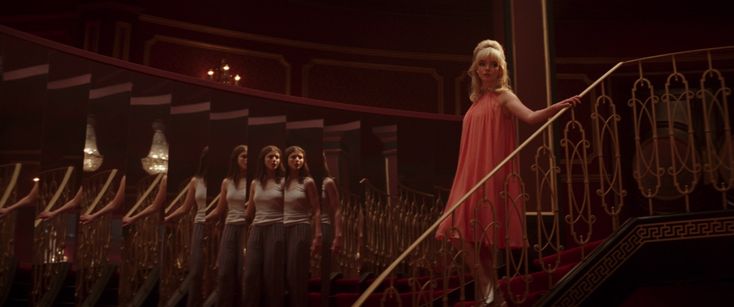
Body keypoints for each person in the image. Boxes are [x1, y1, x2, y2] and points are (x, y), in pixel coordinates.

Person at [435, 39, 580, 306]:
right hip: (469, 174)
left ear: (500, 69)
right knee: (464, 235)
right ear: (476, 69)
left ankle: (488, 293)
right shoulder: (476, 101)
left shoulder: (505, 97)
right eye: (483, 64)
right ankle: (493, 295)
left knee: (472, 235)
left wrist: (556, 108)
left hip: (491, 172)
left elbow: (530, 117)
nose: (487, 69)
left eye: (493, 64)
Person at [163, 146, 209, 307]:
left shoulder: (226, 180)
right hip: (199, 225)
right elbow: (185, 207)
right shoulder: (196, 181)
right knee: (196, 270)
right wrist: (167, 217)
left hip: (217, 226)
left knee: (215, 271)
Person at [204, 144, 248, 307]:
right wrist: (204, 218)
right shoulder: (227, 182)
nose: (246, 160)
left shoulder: (255, 182)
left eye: (249, 157)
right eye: (243, 156)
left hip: (246, 228)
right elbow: (219, 209)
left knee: (243, 273)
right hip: (230, 227)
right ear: (236, 159)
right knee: (224, 272)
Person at [242, 145, 286, 307]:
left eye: (276, 157)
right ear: (263, 160)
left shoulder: (283, 182)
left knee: (271, 274)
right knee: (251, 273)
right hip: (257, 228)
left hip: (276, 227)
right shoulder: (255, 183)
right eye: (270, 157)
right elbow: (249, 212)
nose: (274, 160)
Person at [282, 146, 322, 307]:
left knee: (295, 272)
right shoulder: (280, 181)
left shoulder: (308, 181)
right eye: (293, 157)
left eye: (300, 157)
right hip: (280, 228)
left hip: (300, 227)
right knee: (279, 272)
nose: (297, 160)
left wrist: (317, 234)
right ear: (286, 160)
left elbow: (317, 209)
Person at [318, 152, 342, 307]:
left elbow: (337, 209)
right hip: (302, 226)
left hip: (324, 226)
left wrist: (338, 235)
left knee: (324, 269)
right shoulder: (300, 182)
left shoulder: (327, 182)